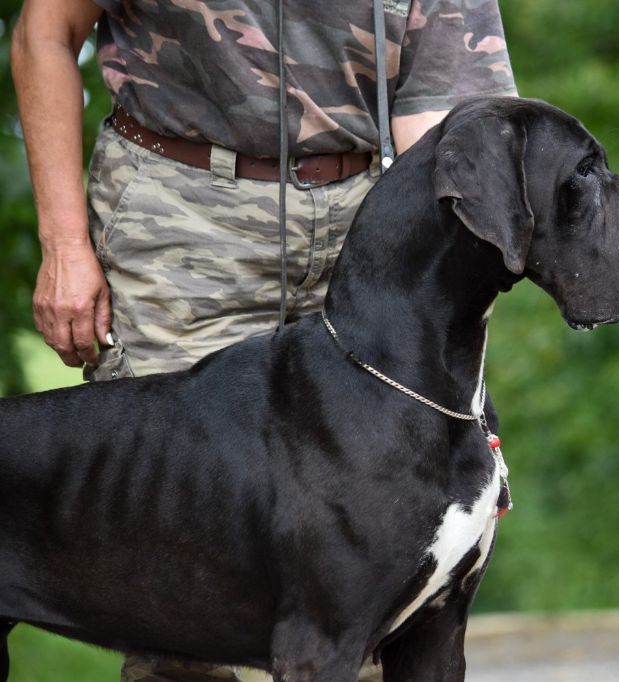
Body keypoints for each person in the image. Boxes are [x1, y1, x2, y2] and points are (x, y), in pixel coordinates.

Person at [10, 0, 516, 680]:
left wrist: (453, 357)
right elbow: (47, 30)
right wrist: (64, 244)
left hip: (369, 223)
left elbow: (445, 127)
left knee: (380, 600)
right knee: (174, 629)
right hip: (183, 217)